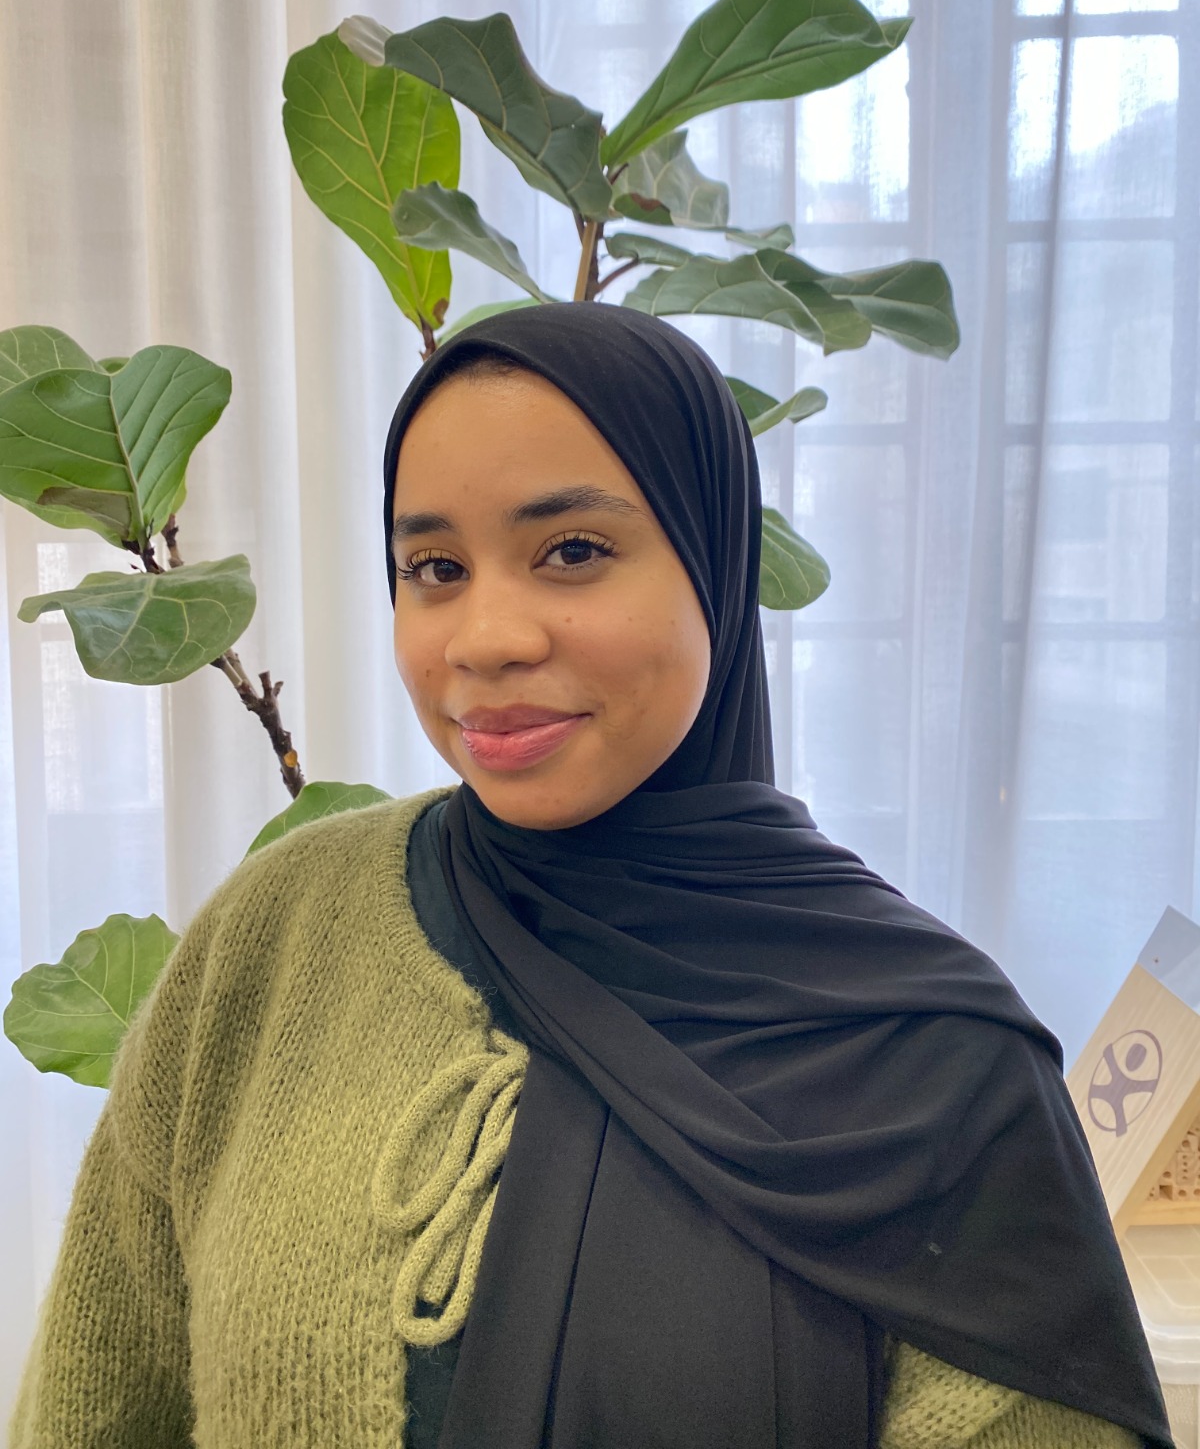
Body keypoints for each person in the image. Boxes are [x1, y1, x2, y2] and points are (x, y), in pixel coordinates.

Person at [11, 302, 1173, 1448]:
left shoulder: (939, 1068)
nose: (486, 638)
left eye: (572, 551)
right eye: (434, 566)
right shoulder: (273, 938)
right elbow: (92, 1405)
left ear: (711, 564)